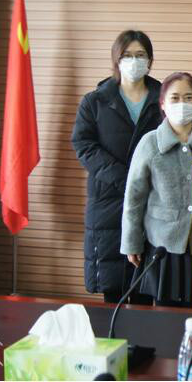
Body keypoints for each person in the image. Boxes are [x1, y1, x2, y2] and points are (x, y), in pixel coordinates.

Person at [120, 72, 192, 307]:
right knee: (165, 317)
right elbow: (134, 198)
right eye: (175, 98)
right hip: (163, 248)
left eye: (189, 98)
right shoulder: (150, 143)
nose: (182, 104)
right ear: (163, 104)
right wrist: (131, 243)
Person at [71, 29, 162, 304]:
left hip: (153, 201)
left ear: (150, 60)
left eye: (140, 55)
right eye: (127, 55)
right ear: (116, 60)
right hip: (108, 203)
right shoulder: (95, 101)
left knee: (146, 289)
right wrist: (127, 179)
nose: (134, 61)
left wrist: (145, 181)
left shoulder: (164, 100)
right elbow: (84, 145)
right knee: (114, 294)